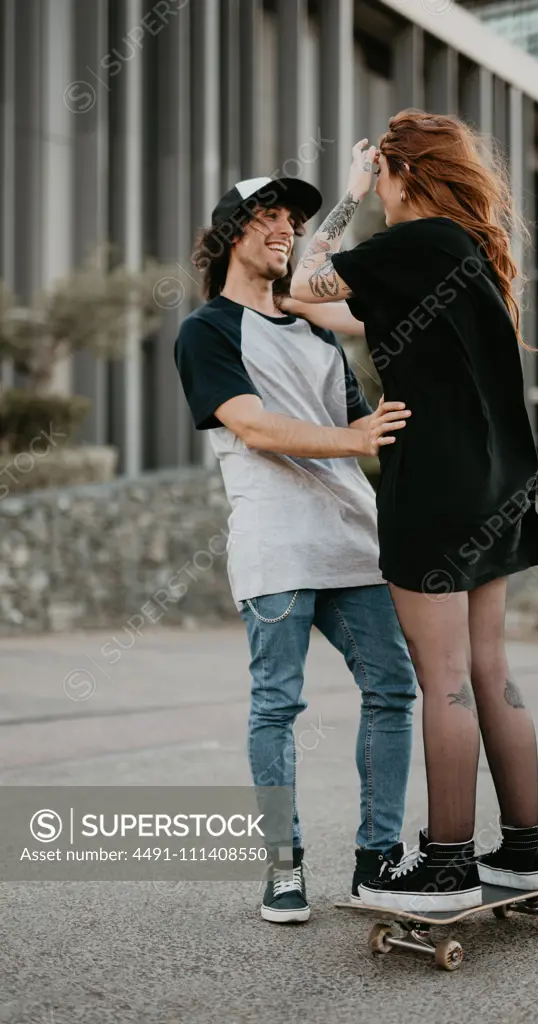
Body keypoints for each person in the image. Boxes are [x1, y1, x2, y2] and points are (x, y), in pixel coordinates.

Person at [290, 112, 538, 914]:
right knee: (487, 670)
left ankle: (445, 865)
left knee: (440, 678)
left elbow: (305, 284)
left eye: (381, 174)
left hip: (434, 484)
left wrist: (342, 202)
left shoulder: (410, 245)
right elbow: (331, 311)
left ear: (397, 174)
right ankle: (524, 850)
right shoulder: (459, 253)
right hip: (494, 486)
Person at [173, 174, 417, 923]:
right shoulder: (206, 331)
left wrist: (348, 197)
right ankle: (283, 867)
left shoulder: (312, 330)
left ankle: (378, 860)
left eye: (291, 220)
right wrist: (352, 436)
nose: (283, 229)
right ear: (229, 235)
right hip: (275, 546)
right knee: (276, 705)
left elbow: (356, 424)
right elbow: (255, 426)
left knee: (394, 690)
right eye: (267, 217)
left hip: (353, 545)